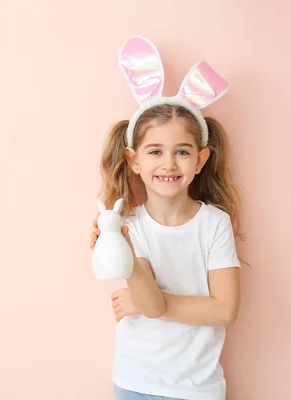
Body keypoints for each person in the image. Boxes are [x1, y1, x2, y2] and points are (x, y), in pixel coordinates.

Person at [89, 37, 242, 400]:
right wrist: (124, 251)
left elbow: (225, 310)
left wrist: (145, 301)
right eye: (155, 151)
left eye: (182, 152)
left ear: (201, 160)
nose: (169, 163)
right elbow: (152, 303)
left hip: (199, 388)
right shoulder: (129, 226)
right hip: (136, 382)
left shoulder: (214, 224)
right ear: (134, 161)